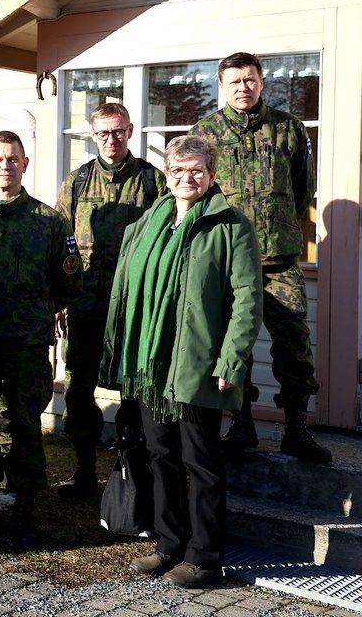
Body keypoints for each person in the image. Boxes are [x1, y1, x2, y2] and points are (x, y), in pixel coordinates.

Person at [104, 135, 263, 589]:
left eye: (196, 170)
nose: (186, 178)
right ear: (167, 176)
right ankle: (169, 544)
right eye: (177, 170)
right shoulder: (150, 223)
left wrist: (229, 361)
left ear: (212, 175)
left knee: (202, 463)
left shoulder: (230, 226)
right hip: (152, 368)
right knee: (161, 457)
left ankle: (206, 558)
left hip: (198, 367)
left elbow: (247, 301)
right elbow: (124, 292)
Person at [190, 52, 329, 464]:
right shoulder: (205, 134)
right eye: (233, 81)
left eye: (249, 79)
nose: (242, 88)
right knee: (236, 348)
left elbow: (303, 189)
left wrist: (277, 225)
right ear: (222, 85)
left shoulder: (288, 128)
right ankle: (243, 424)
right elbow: (196, 195)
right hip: (230, 263)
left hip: (280, 261)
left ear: (262, 82)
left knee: (294, 345)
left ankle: (296, 429)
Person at [0, 131, 81, 550]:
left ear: (25, 164)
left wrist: (38, 310)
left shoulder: (49, 221)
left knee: (25, 425)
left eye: (13, 159)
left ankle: (24, 507)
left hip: (26, 342)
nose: (4, 166)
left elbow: (68, 282)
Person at [54, 104, 164, 497]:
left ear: (130, 130)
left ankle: (132, 473)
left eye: (118, 132)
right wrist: (59, 300)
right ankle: (83, 470)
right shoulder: (77, 182)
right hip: (85, 305)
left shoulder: (152, 181)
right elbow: (60, 243)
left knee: (133, 388)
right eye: (103, 133)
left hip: (134, 306)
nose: (111, 140)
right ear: (93, 135)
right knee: (79, 389)